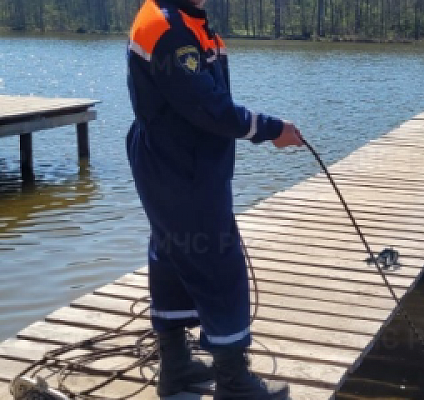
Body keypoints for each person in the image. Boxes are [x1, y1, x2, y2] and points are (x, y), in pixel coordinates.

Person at [126, 0, 302, 398]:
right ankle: (233, 381)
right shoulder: (168, 29)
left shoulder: (185, 21)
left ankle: (176, 366)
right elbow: (208, 107)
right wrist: (270, 128)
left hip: (172, 164)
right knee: (219, 266)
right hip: (184, 169)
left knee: (172, 254)